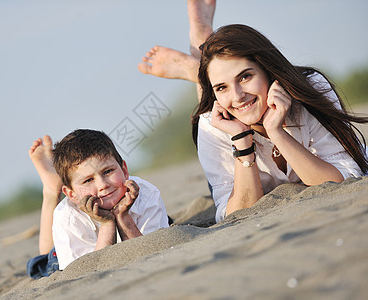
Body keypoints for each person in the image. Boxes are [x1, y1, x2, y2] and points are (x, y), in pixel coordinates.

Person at [138, 2, 368, 223]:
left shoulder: (310, 90)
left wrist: (276, 132)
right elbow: (234, 213)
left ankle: (197, 66)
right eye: (221, 87)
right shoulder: (213, 123)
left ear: (268, 70)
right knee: (213, 107)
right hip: (233, 144)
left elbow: (345, 178)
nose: (237, 95)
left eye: (245, 76)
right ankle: (198, 65)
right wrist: (242, 143)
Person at [27, 129, 170, 279]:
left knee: (166, 223)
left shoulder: (147, 193)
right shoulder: (68, 217)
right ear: (71, 194)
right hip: (80, 253)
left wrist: (123, 216)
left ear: (124, 170)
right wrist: (107, 224)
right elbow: (90, 272)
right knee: (46, 262)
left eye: (108, 171)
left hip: (136, 230)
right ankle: (51, 191)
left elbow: (150, 250)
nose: (103, 185)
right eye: (88, 180)